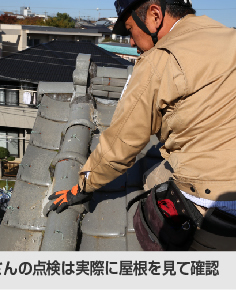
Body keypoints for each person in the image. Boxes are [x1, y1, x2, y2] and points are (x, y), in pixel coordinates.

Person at [48, 0, 236, 250]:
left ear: (154, 15)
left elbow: (121, 145)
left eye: (129, 30)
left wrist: (81, 186)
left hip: (213, 207)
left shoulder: (159, 60)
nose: (132, 42)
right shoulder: (228, 35)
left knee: (149, 179)